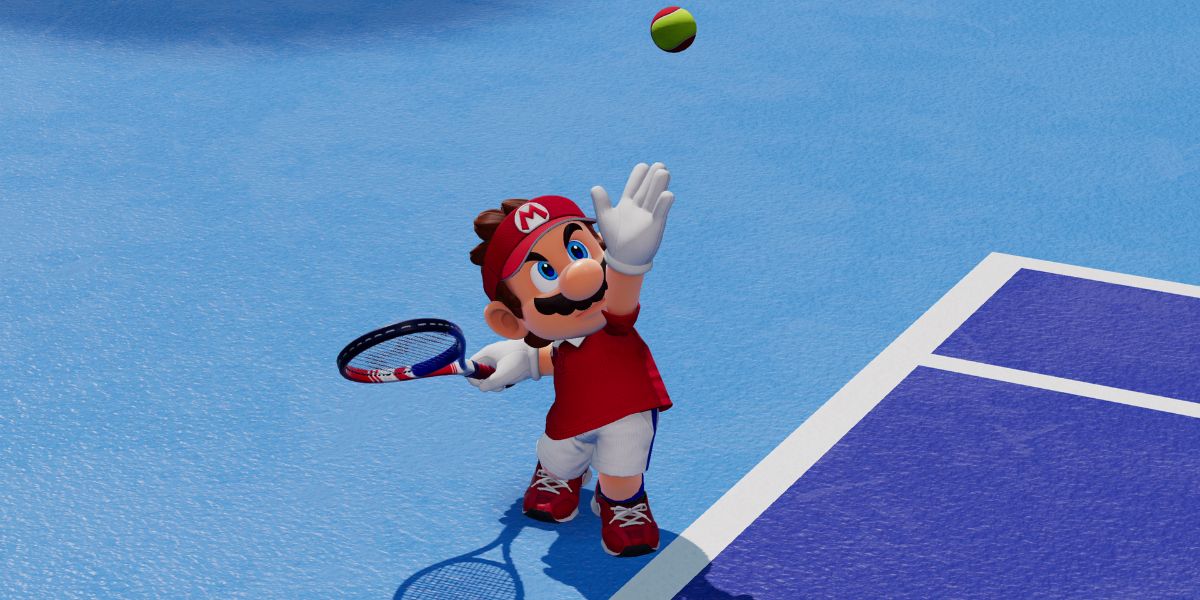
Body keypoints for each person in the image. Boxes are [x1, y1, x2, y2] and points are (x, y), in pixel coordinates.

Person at [466, 163, 676, 557]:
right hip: (571, 414)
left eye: (579, 250)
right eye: (545, 271)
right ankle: (559, 478)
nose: (580, 275)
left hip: (628, 411)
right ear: (509, 319)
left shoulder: (614, 319)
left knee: (622, 471)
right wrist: (524, 359)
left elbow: (620, 306)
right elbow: (557, 355)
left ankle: (622, 504)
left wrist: (628, 265)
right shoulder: (563, 338)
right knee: (560, 455)